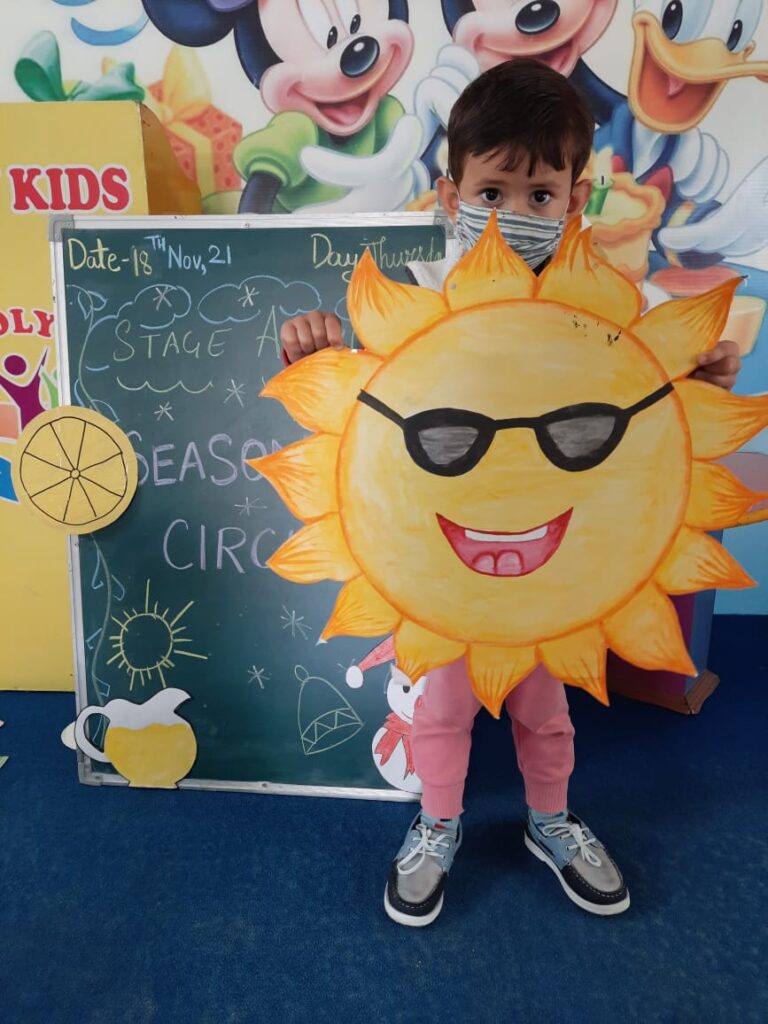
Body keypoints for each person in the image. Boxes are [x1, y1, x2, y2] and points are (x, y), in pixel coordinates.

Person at [278, 58, 742, 926]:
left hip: (554, 561)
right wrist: (317, 348)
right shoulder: (420, 300)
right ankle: (438, 823)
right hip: (447, 561)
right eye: (493, 192)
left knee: (546, 704)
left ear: (575, 200)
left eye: (540, 195)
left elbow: (661, 394)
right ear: (451, 193)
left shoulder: (609, 310)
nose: (514, 213)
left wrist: (707, 370)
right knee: (443, 705)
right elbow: (366, 401)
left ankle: (551, 820)